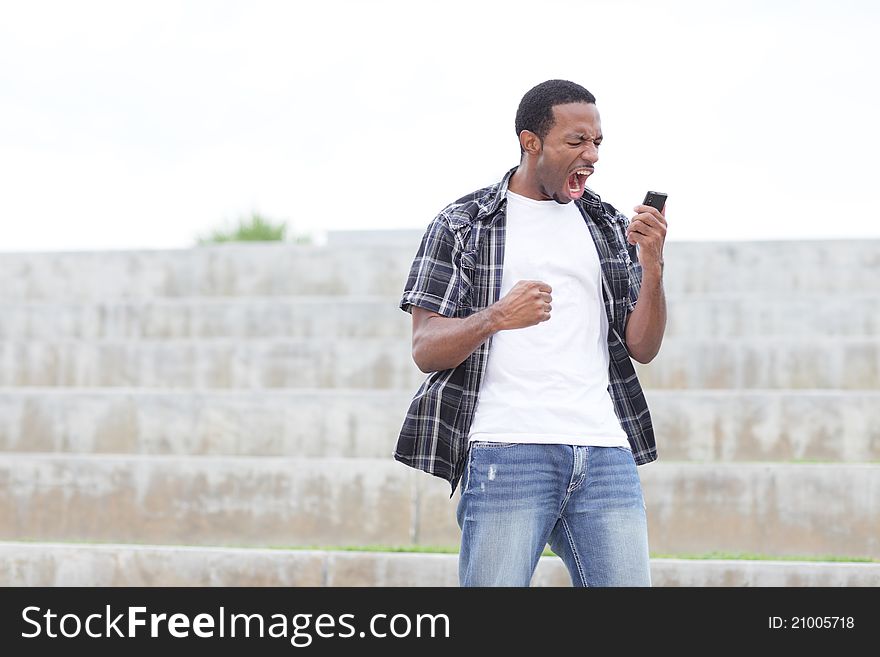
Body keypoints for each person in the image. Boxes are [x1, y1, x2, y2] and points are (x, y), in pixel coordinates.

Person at [395, 79, 667, 587]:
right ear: (530, 142)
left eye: (597, 143)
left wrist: (652, 268)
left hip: (605, 451)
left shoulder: (606, 224)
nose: (591, 155)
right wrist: (497, 317)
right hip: (507, 450)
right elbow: (426, 348)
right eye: (577, 142)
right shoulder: (464, 224)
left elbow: (643, 347)